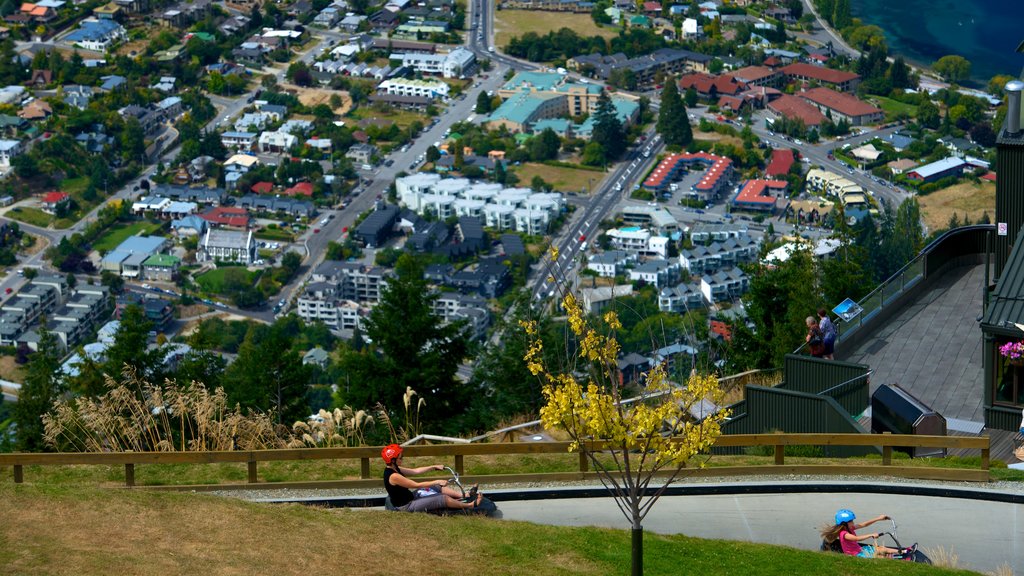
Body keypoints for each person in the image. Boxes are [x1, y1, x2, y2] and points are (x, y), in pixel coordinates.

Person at [381, 444, 483, 512]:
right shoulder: (393, 476)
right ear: (393, 460)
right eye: (400, 457)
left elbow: (415, 471)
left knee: (437, 488)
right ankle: (471, 505)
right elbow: (416, 485)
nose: (402, 458)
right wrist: (437, 480)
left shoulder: (395, 468)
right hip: (406, 506)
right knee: (442, 498)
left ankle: (465, 495)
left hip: (411, 497)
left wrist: (433, 467)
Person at [821, 509, 902, 559]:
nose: (853, 522)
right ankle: (900, 558)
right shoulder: (844, 534)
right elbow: (857, 538)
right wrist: (871, 535)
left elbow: (864, 524)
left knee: (881, 548)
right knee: (879, 557)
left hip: (860, 550)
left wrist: (878, 518)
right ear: (844, 524)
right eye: (851, 521)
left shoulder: (850, 528)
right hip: (856, 555)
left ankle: (903, 551)